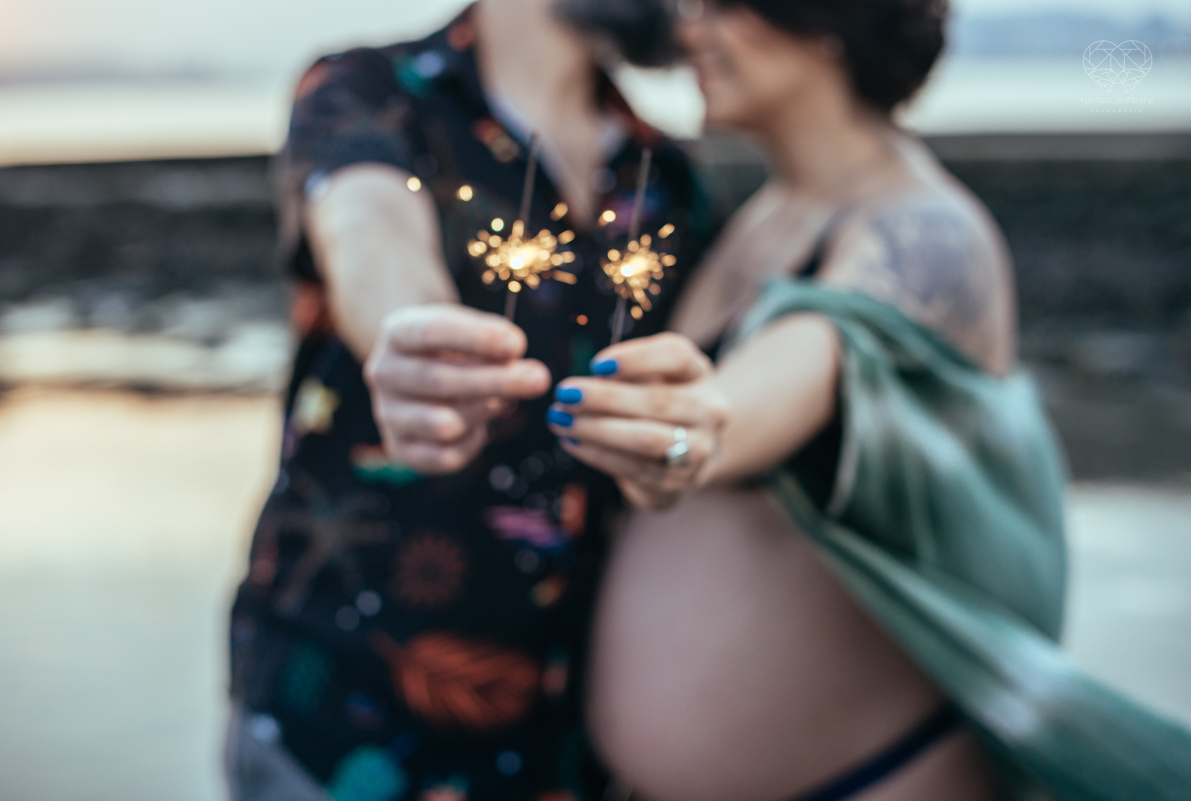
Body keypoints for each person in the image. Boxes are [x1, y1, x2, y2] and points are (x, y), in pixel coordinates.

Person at [224, 1, 711, 799]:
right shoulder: (370, 90)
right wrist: (409, 335)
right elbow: (366, 223)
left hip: (562, 736)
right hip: (344, 720)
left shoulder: (670, 181)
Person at [545, 0, 1027, 799]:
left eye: (720, 6)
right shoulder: (759, 218)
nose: (685, 29)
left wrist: (700, 432)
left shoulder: (926, 235)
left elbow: (808, 360)